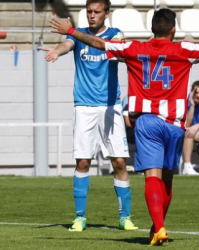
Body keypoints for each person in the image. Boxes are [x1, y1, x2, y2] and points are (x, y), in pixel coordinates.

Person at [48, 8, 199, 245]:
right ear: (173, 30)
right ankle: (158, 227)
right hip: (174, 125)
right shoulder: (184, 50)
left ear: (152, 29)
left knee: (152, 178)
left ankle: (158, 227)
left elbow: (97, 43)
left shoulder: (134, 48)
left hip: (148, 123)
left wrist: (72, 31)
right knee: (167, 179)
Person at [44, 0, 137, 232]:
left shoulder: (116, 34)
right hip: (84, 106)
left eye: (96, 12)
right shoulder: (78, 35)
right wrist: (58, 50)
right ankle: (80, 217)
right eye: (89, 12)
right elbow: (68, 43)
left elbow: (107, 46)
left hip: (110, 107)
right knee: (83, 161)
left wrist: (72, 33)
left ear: (107, 13)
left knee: (118, 161)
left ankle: (125, 217)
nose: (92, 15)